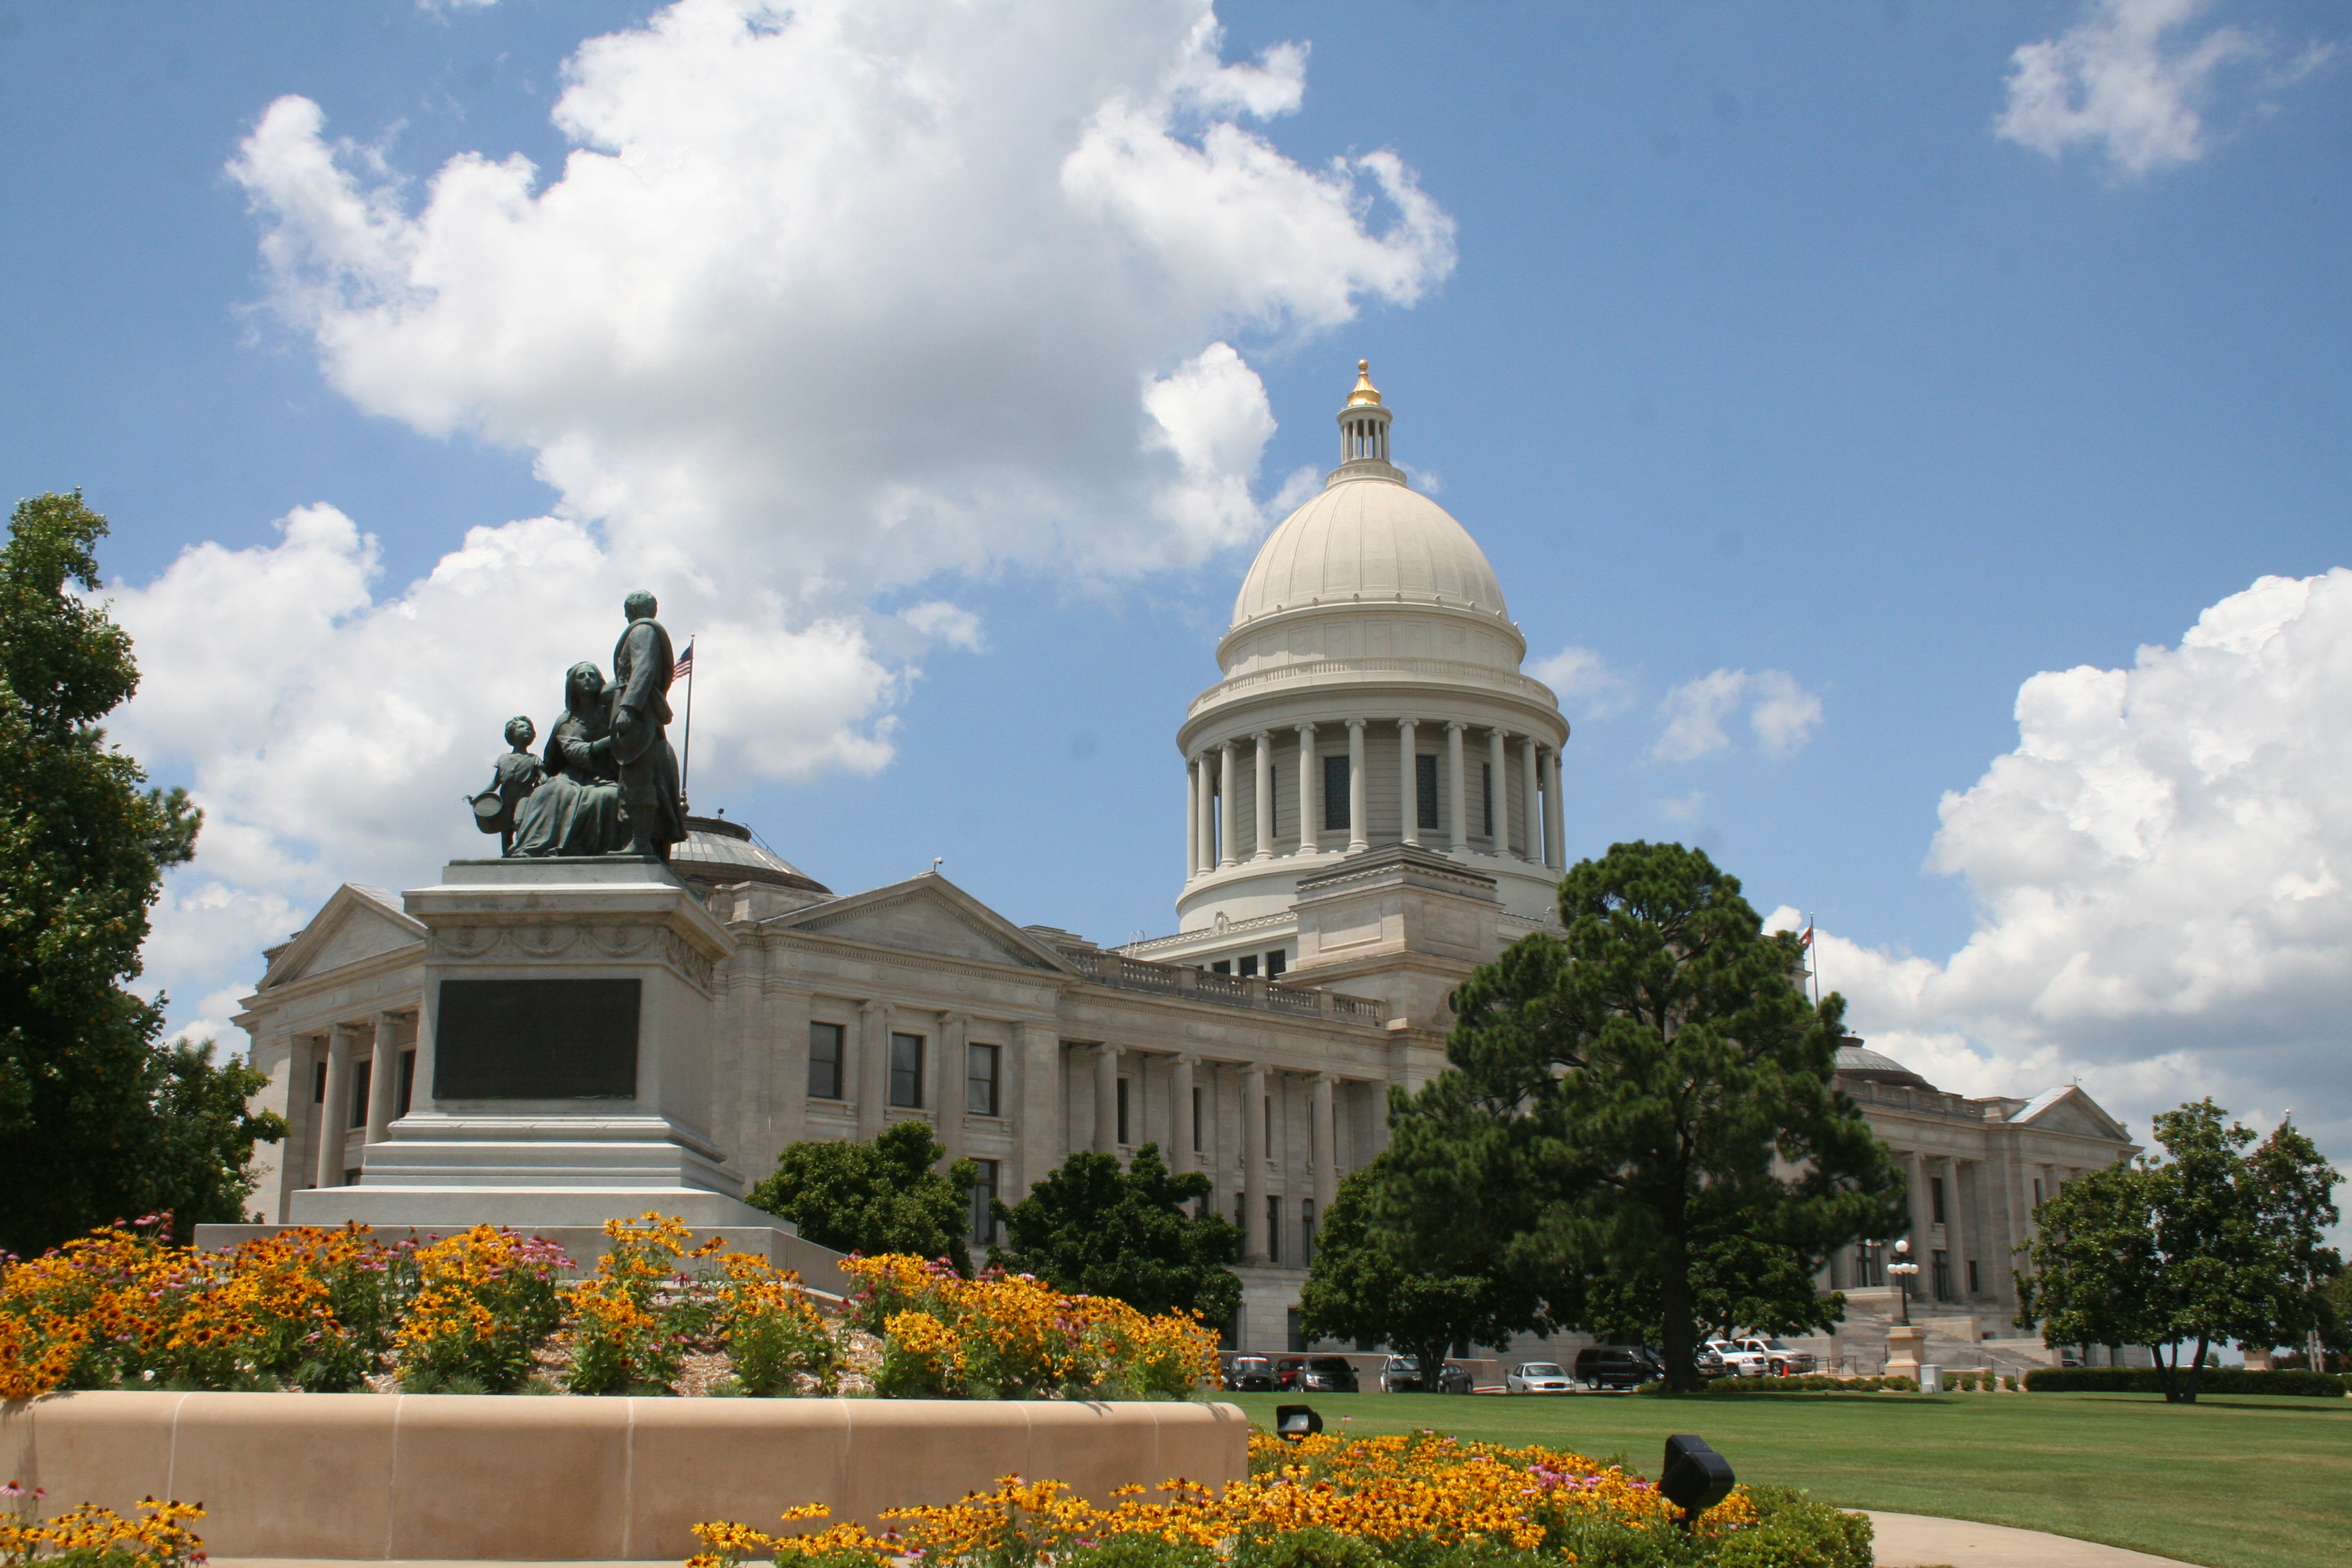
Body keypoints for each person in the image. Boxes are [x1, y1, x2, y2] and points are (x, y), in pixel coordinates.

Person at [511, 663, 625, 858]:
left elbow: (624, 683)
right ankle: (535, 847)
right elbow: (574, 751)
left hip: (607, 775)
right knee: (551, 791)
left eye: (592, 675)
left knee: (610, 797)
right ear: (572, 685)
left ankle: (591, 850)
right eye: (581, 676)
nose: (588, 678)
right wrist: (610, 740)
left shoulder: (611, 713)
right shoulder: (567, 721)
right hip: (572, 775)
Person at [609, 590, 687, 860]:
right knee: (635, 776)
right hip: (641, 711)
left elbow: (643, 667)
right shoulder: (648, 630)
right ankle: (637, 838)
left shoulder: (641, 631)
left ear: (628, 610)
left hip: (639, 715)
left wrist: (629, 708)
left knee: (637, 775)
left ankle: (640, 841)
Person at [467, 715, 546, 855]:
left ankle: (521, 849)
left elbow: (543, 776)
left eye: (529, 728)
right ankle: (507, 855)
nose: (526, 729)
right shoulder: (504, 759)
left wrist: (544, 780)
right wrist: (479, 797)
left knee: (519, 822)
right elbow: (495, 783)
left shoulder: (534, 759)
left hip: (525, 795)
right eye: (522, 727)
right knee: (506, 828)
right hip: (506, 797)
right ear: (512, 734)